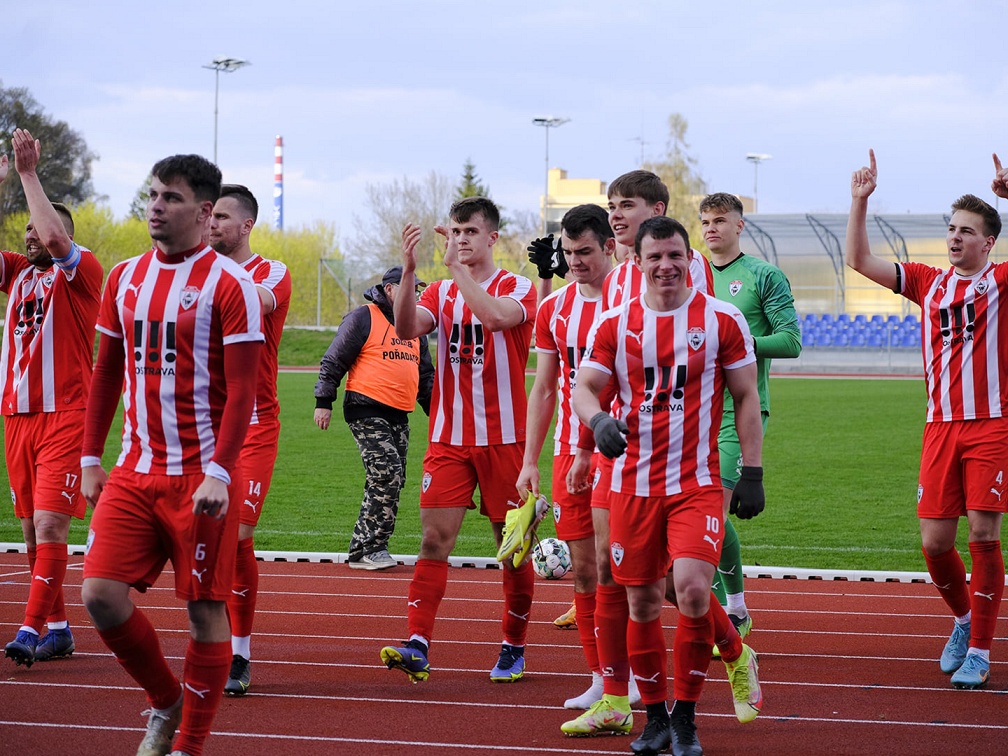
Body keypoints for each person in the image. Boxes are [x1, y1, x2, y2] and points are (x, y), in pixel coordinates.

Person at [79, 154, 263, 756]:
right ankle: (166, 700)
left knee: (206, 609)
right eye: (153, 195)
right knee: (99, 595)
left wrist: (218, 471)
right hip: (134, 471)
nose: (156, 206)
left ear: (205, 212)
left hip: (200, 478)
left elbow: (242, 392)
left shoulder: (231, 285)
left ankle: (190, 745)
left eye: (172, 198)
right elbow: (105, 375)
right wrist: (89, 458)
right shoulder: (123, 278)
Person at [573, 216, 764, 756]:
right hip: (632, 484)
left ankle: (686, 718)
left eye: (675, 256)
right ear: (638, 264)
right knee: (640, 605)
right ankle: (654, 718)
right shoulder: (614, 323)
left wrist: (752, 471)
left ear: (689, 259)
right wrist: (597, 423)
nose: (665, 266)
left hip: (697, 483)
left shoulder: (722, 320)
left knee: (695, 592)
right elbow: (584, 388)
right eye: (654, 257)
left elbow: (746, 396)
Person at [845, 150, 1008, 690]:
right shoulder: (926, 282)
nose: (955, 237)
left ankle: (982, 649)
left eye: (967, 231)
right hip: (939, 427)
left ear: (989, 242)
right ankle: (963, 621)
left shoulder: (1002, 280)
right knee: (936, 543)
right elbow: (859, 260)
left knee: (983, 532)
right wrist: (859, 202)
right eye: (951, 228)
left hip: (992, 425)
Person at [379, 197, 537, 683]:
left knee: (510, 549)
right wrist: (408, 271)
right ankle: (418, 643)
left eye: (470, 231)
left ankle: (513, 645)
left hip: (506, 440)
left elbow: (492, 317)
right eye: (455, 231)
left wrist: (454, 270)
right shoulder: (440, 292)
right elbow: (405, 329)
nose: (461, 239)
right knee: (432, 540)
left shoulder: (519, 287)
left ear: (492, 238)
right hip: (448, 439)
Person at [0, 129, 103, 667]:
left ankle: (29, 628)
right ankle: (59, 627)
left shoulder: (81, 274)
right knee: (30, 535)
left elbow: (59, 243)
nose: (32, 236)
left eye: (40, 228)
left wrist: (27, 175)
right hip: (16, 417)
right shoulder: (16, 273)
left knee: (49, 526)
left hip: (66, 413)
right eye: (26, 231)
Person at [515, 204, 614, 708]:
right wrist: (531, 460)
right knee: (584, 571)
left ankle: (727, 643)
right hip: (568, 455)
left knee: (635, 573)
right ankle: (603, 679)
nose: (575, 261)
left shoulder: (636, 296)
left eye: (585, 252)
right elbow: (545, 388)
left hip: (628, 450)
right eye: (569, 252)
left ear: (610, 247)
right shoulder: (554, 310)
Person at [700, 192, 801, 646]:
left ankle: (734, 610)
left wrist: (736, 340)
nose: (710, 228)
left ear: (740, 225)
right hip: (687, 413)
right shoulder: (686, 273)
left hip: (737, 414)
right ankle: (725, 607)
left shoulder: (763, 275)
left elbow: (791, 341)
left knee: (712, 516)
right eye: (704, 221)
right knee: (698, 515)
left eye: (719, 220)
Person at [208, 184, 291, 696]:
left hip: (254, 425)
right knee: (207, 538)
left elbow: (254, 301)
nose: (211, 223)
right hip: (202, 424)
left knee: (236, 534)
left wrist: (198, 271)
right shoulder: (191, 269)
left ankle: (239, 654)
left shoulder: (270, 272)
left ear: (246, 226)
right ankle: (212, 643)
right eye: (207, 215)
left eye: (220, 216)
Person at [314, 266, 434, 569]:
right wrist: (323, 400)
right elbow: (334, 358)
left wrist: (438, 413)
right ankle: (370, 548)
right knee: (387, 474)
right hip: (365, 408)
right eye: (410, 288)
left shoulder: (416, 327)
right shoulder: (364, 317)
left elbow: (426, 377)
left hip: (399, 414)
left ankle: (365, 549)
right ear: (391, 289)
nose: (416, 296)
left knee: (393, 478)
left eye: (418, 291)